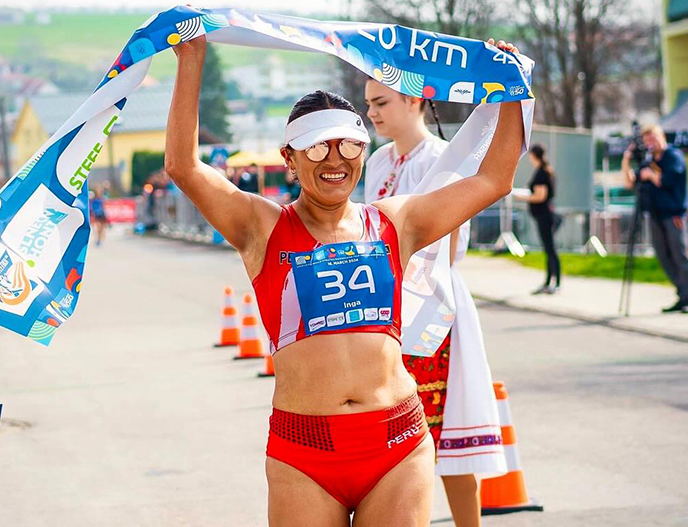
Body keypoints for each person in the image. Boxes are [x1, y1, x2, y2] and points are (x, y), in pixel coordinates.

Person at [165, 35, 523, 526]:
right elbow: (183, 166)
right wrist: (192, 57)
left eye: (350, 144)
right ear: (290, 159)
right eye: (317, 147)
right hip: (303, 455)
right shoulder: (261, 227)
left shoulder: (396, 222)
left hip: (397, 444)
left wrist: (512, 87)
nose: (335, 159)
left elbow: (493, 180)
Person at [364, 79, 507, 527]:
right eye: (368, 103)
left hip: (432, 302)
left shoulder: (443, 158)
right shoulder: (375, 161)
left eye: (381, 102)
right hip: (383, 304)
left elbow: (447, 245)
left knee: (442, 429)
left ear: (413, 101)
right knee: (391, 438)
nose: (373, 113)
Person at [622, 124, 688, 314]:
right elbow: (630, 182)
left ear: (661, 136)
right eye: (647, 140)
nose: (650, 143)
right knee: (662, 255)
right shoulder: (648, 161)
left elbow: (667, 180)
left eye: (653, 138)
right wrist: (626, 161)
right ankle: (681, 292)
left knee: (679, 253)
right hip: (654, 214)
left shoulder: (673, 156)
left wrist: (651, 175)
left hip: (673, 214)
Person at [515, 143, 560, 294]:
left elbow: (541, 196)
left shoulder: (542, 173)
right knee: (548, 249)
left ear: (534, 155)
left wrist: (523, 197)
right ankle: (549, 281)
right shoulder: (545, 171)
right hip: (544, 215)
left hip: (544, 216)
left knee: (550, 249)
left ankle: (555, 282)